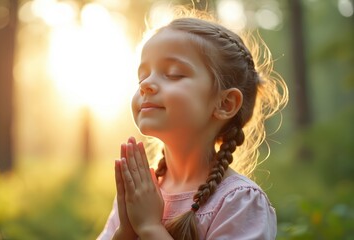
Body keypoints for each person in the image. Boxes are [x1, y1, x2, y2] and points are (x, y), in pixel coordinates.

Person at [98, 8, 288, 240]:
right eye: (142, 75)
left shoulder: (239, 202)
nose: (145, 84)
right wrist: (126, 231)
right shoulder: (140, 192)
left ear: (225, 104)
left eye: (174, 74)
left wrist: (149, 227)